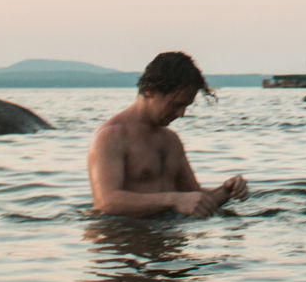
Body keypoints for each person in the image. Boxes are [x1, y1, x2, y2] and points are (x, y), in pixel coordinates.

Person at [86, 52, 249, 217]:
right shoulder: (111, 137)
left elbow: (193, 197)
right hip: (126, 238)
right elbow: (106, 202)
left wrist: (227, 191)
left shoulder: (171, 140)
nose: (181, 113)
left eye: (186, 106)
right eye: (176, 105)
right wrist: (173, 200)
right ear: (150, 90)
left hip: (169, 236)